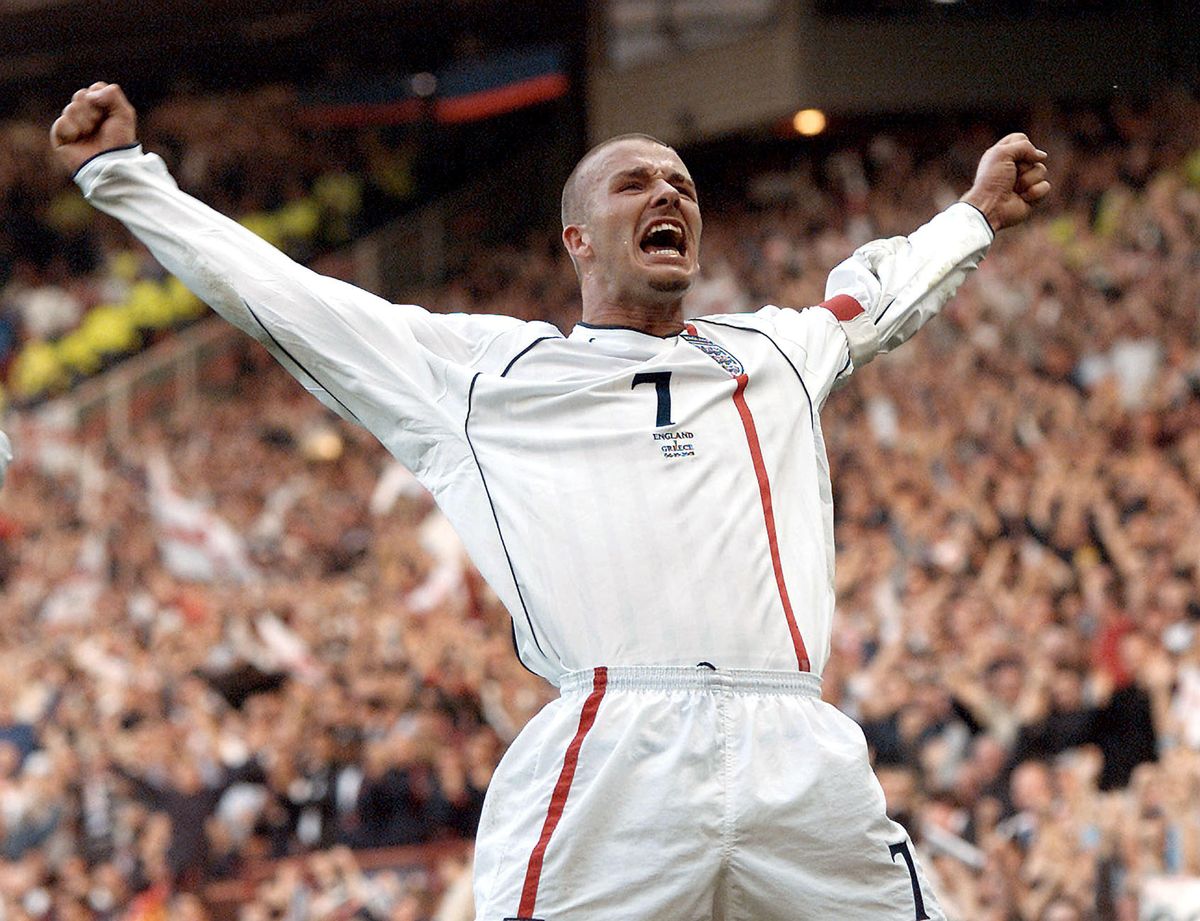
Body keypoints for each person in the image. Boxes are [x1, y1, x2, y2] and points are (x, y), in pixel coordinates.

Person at [52, 82, 1049, 920]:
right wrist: (125, 178)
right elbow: (291, 299)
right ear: (578, 238)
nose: (671, 194)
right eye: (636, 183)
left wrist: (972, 216)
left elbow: (880, 292)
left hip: (796, 747)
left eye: (683, 185)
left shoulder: (775, 351)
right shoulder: (488, 377)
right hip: (618, 758)